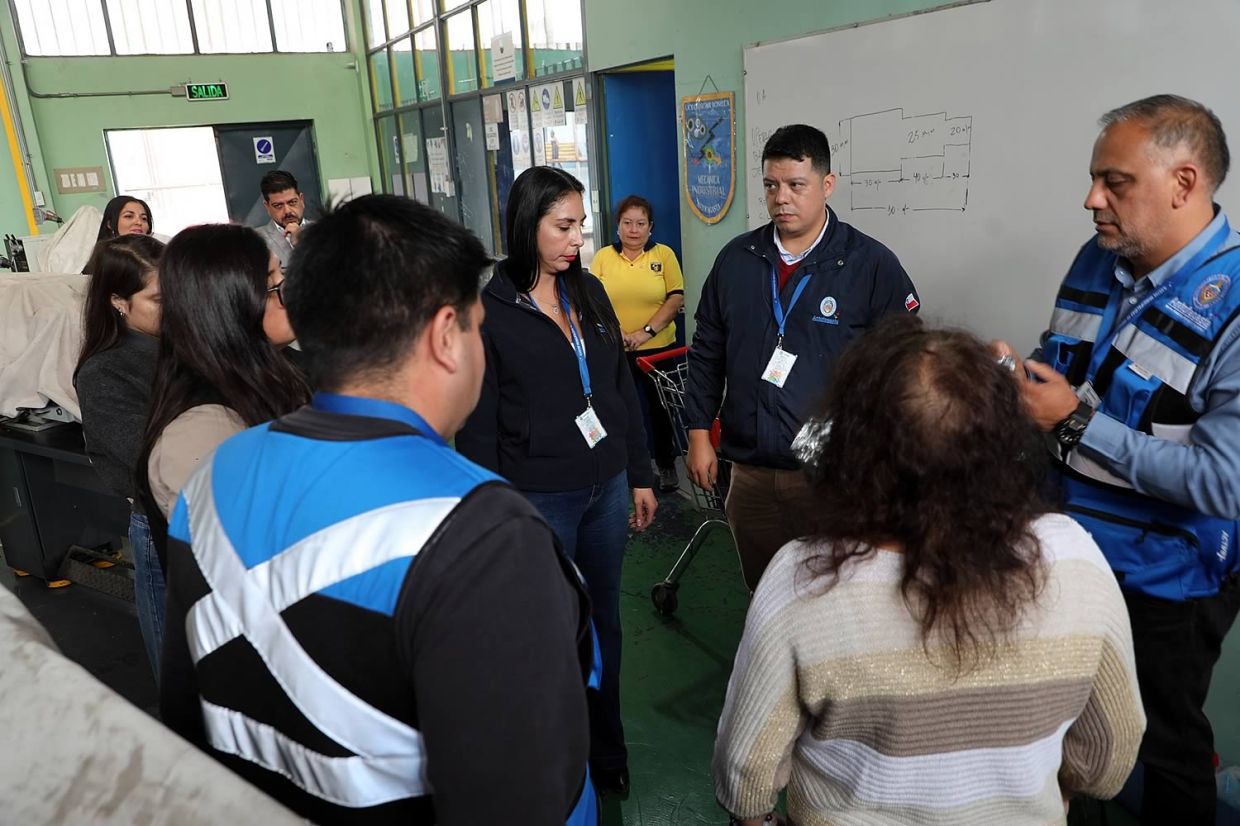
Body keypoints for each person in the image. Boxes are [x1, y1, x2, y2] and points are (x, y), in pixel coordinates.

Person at [159, 194, 599, 826]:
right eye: (475, 326)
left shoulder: (211, 479)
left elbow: (185, 714)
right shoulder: (482, 534)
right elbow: (526, 796)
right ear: (445, 336)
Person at [714, 318, 1145, 826]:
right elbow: (1107, 759)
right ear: (1005, 446)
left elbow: (746, 774)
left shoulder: (803, 579)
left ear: (856, 453)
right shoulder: (1075, 557)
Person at [994, 94, 1240, 825]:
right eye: (1094, 179)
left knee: (1164, 749)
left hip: (1165, 582)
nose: (1091, 199)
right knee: (1063, 728)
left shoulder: (1232, 304)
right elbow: (1064, 364)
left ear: (1184, 183)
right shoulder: (1098, 258)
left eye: (1114, 182)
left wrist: (1074, 420)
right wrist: (1015, 378)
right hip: (1063, 551)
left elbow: (1224, 482)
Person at [456, 166, 658, 796]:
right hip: (538, 498)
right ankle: (554, 756)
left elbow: (619, 388)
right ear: (527, 226)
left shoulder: (589, 291)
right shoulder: (489, 311)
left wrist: (640, 473)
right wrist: (491, 513)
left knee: (605, 622)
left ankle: (606, 747)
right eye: (563, 227)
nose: (577, 240)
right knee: (546, 630)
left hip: (606, 490)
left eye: (581, 226)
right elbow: (479, 425)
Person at [684, 123, 921, 591]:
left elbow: (903, 366)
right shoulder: (737, 260)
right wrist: (698, 434)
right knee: (763, 594)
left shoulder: (869, 264)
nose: (781, 199)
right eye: (771, 185)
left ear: (827, 185)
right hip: (750, 473)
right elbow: (707, 350)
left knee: (833, 596)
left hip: (831, 476)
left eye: (796, 185)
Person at [136, 224, 308, 539]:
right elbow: (241, 549)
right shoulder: (202, 428)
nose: (289, 294)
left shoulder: (278, 373)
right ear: (227, 306)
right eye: (270, 284)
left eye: (281, 275)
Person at [73, 234, 166, 674]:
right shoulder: (105, 372)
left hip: (211, 518)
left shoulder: (182, 348)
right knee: (181, 667)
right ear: (118, 302)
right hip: (162, 525)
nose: (175, 307)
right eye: (158, 299)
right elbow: (151, 459)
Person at [592, 194, 686, 493]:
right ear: (617, 226)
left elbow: (676, 297)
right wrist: (617, 331)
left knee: (662, 410)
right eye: (627, 223)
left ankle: (667, 464)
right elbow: (592, 299)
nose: (634, 230)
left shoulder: (664, 255)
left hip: (658, 350)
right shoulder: (603, 257)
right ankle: (625, 468)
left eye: (640, 223)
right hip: (614, 348)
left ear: (651, 227)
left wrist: (645, 332)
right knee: (617, 410)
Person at [256, 170, 310, 268]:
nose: (287, 211)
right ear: (267, 207)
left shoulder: (325, 232)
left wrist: (301, 243)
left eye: (292, 202)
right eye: (278, 205)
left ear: (301, 200)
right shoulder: (256, 240)